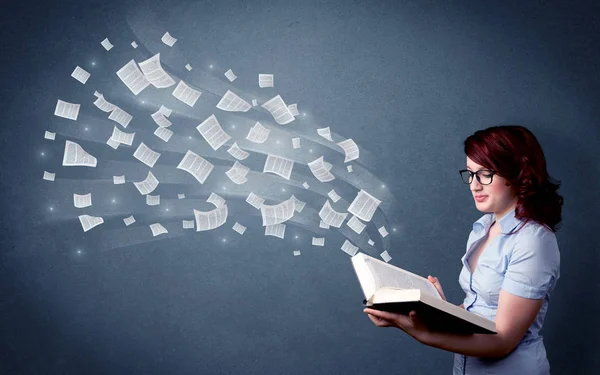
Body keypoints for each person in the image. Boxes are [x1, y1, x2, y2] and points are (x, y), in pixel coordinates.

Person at [363, 125, 564, 375]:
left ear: (518, 173)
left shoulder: (533, 241)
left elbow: (503, 340)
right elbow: (479, 310)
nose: (474, 185)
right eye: (470, 174)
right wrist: (436, 309)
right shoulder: (483, 228)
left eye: (485, 174)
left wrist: (424, 334)